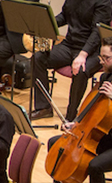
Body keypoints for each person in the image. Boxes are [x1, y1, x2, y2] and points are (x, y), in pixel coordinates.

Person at [31, 0, 112, 120]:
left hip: (93, 50)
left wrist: (82, 55)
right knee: (37, 58)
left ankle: (71, 116)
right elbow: (64, 16)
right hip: (69, 45)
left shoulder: (103, 1)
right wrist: (46, 24)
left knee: (80, 71)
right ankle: (44, 107)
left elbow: (97, 34)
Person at [46, 36, 112, 183]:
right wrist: (76, 124)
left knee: (95, 165)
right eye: (101, 56)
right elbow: (94, 111)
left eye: (106, 58)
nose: (101, 61)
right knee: (55, 145)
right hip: (97, 138)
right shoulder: (105, 78)